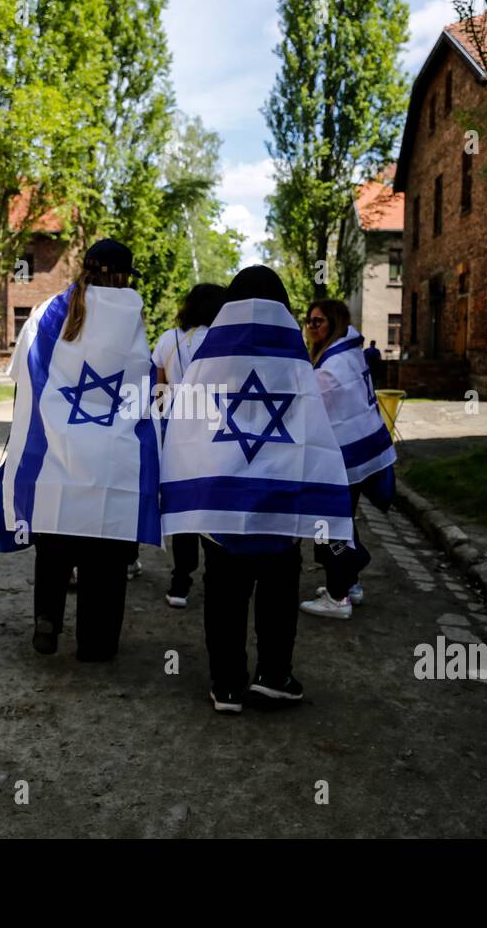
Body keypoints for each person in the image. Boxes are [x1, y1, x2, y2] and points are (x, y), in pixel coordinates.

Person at [160, 265, 352, 713]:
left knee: (224, 589)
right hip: (281, 496)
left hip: (224, 499)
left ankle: (226, 684)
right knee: (279, 587)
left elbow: (187, 423)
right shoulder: (294, 358)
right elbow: (314, 425)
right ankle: (274, 675)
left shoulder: (212, 357)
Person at [2, 238, 160, 662]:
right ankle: (96, 641)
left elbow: (23, 375)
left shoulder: (49, 310)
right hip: (112, 454)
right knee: (105, 556)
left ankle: (47, 618)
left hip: (58, 448)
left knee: (54, 539)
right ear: (123, 275)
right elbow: (142, 384)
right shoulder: (132, 312)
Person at [300, 298, 398, 621]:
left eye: (319, 321)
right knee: (340, 520)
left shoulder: (334, 364)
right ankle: (350, 582)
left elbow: (309, 402)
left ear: (335, 323)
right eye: (309, 320)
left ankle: (338, 595)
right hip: (361, 452)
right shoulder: (347, 351)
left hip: (344, 458)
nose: (312, 327)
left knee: (328, 524)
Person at [150, 282, 225, 608]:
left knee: (180, 500)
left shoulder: (168, 339)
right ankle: (218, 576)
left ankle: (181, 583)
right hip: (213, 427)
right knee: (211, 500)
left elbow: (159, 388)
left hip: (177, 429)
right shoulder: (224, 339)